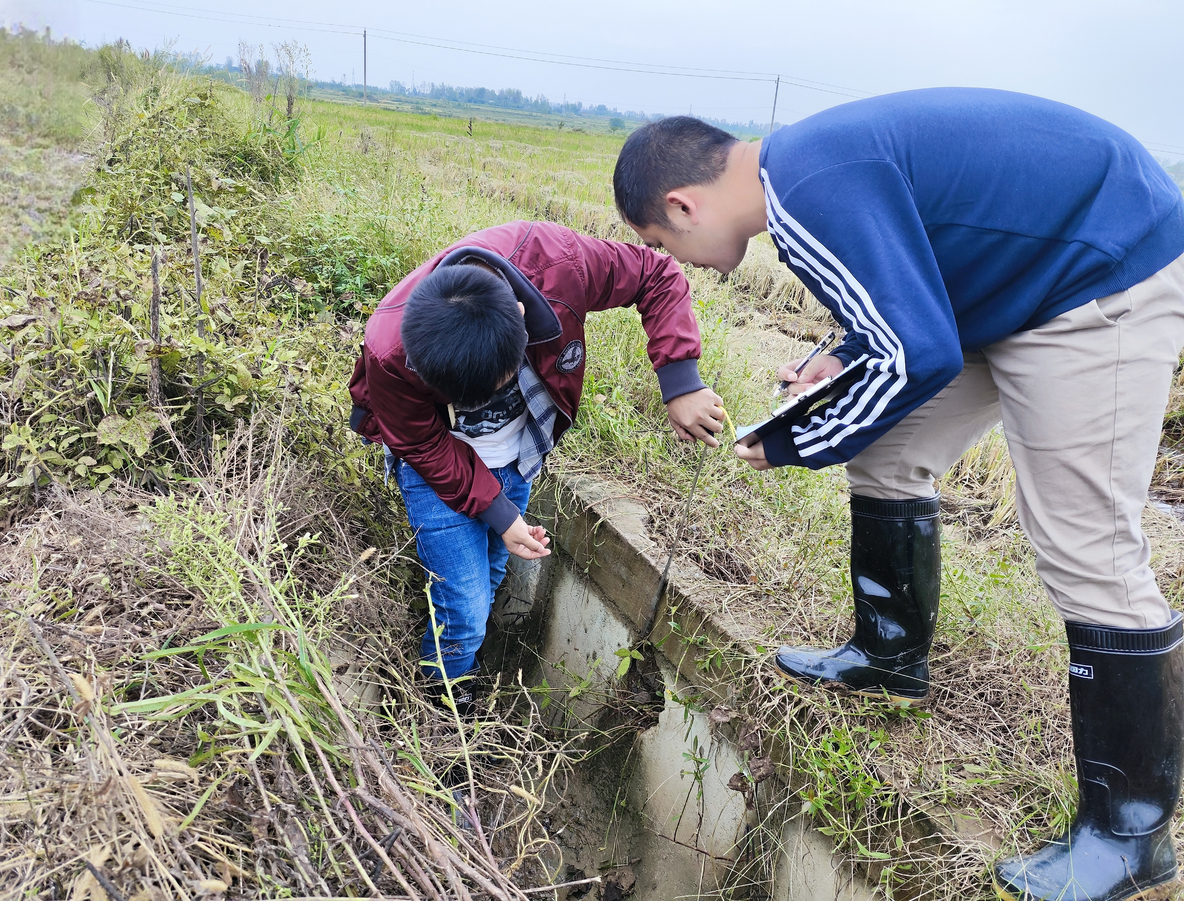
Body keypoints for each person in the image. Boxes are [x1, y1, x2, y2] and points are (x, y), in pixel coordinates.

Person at [611, 90, 1184, 901]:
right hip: (1002, 290)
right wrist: (837, 360)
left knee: (1086, 545)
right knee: (886, 452)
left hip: (1094, 273)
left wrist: (791, 439)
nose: (675, 260)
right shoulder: (803, 176)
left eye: (660, 242)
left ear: (681, 203)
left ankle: (1132, 835)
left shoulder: (804, 190)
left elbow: (914, 354)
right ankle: (890, 656)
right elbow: (900, 307)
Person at [348, 220, 725, 715]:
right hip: (436, 470)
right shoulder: (389, 349)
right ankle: (442, 705)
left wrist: (681, 381)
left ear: (522, 318)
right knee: (466, 606)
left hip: (518, 455)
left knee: (493, 571)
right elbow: (424, 445)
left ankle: (462, 656)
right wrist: (502, 517)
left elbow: (657, 274)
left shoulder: (562, 263)